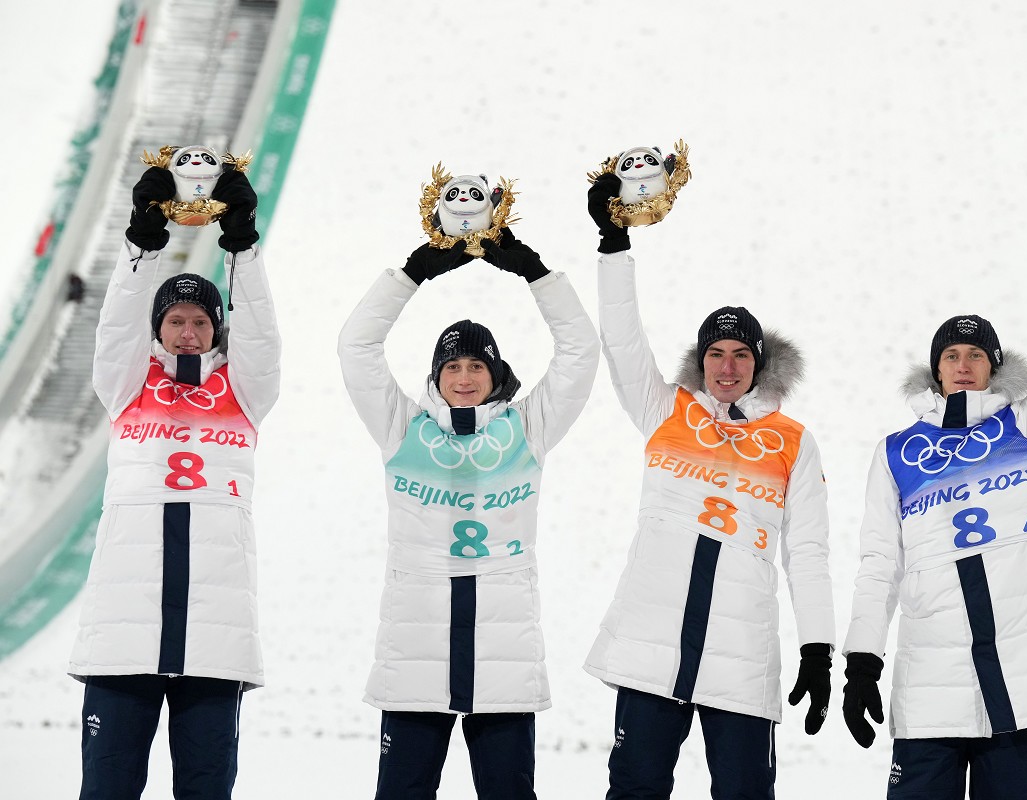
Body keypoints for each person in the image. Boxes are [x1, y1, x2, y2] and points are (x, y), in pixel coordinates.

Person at [840, 166, 1027, 799]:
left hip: (1023, 674)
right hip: (932, 678)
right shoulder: (897, 453)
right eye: (951, 355)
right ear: (935, 369)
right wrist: (862, 658)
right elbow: (877, 564)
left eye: (977, 355)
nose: (964, 364)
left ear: (996, 367)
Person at [582, 173, 836, 799]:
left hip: (741, 651)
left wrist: (818, 647)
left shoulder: (792, 440)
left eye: (741, 356)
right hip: (652, 644)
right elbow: (621, 337)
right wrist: (613, 246)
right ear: (701, 360)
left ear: (759, 364)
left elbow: (808, 552)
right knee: (635, 790)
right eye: (716, 353)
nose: (727, 367)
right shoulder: (664, 408)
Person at [337, 230, 599, 800]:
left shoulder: (527, 429)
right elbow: (356, 346)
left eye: (476, 366)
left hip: (503, 660)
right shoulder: (402, 427)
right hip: (415, 657)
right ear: (435, 376)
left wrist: (536, 274)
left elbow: (581, 351)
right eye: (451, 365)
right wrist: (412, 274)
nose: (463, 377)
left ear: (495, 375)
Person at [70, 161, 279, 800]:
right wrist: (143, 242)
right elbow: (114, 327)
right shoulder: (128, 385)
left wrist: (241, 247)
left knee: (205, 790)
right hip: (123, 631)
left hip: (215, 636)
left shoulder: (244, 391)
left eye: (201, 322)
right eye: (175, 321)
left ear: (217, 329)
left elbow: (263, 335)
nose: (189, 332)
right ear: (157, 330)